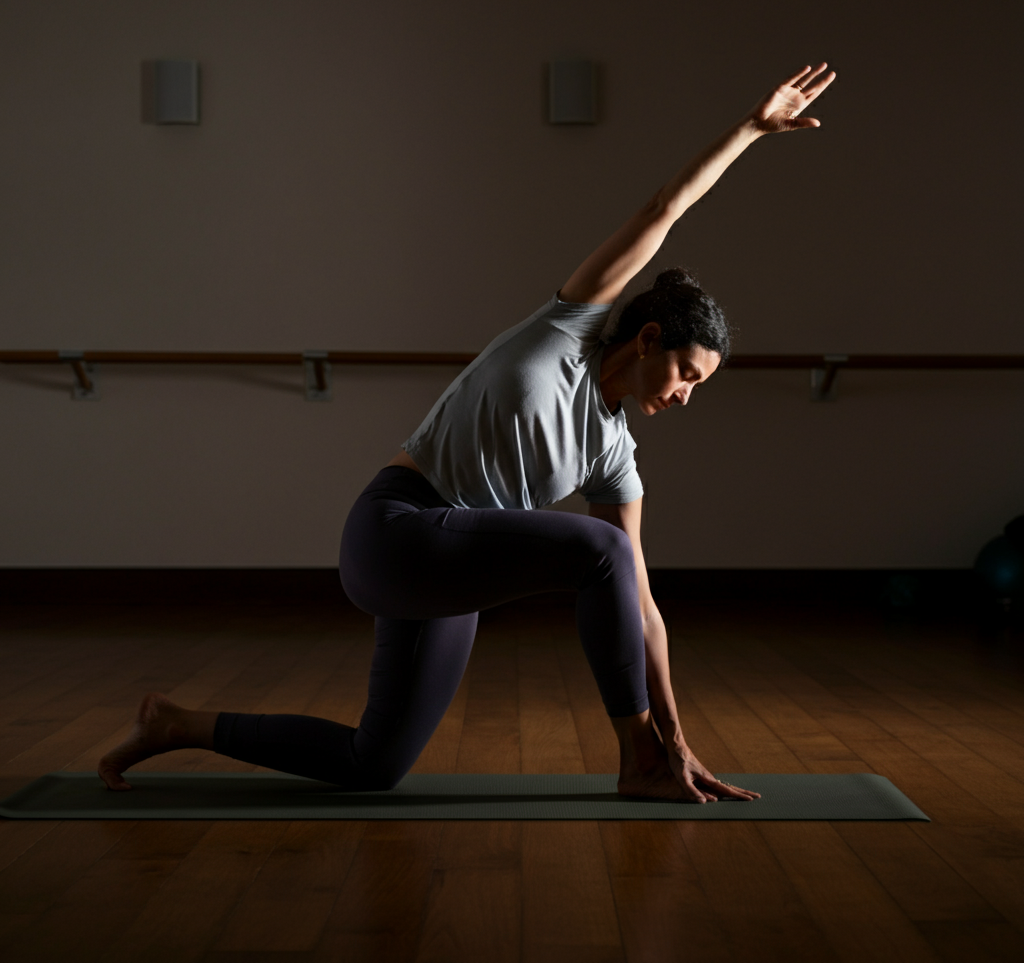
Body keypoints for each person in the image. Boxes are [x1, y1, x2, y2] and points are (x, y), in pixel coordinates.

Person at [99, 63, 836, 802]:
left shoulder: (615, 454)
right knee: (603, 548)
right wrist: (749, 129)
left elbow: (639, 603)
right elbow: (662, 210)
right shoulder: (566, 328)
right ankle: (635, 761)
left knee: (373, 763)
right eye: (687, 374)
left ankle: (173, 724)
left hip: (446, 575)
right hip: (396, 531)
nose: (685, 395)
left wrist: (680, 737)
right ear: (646, 339)